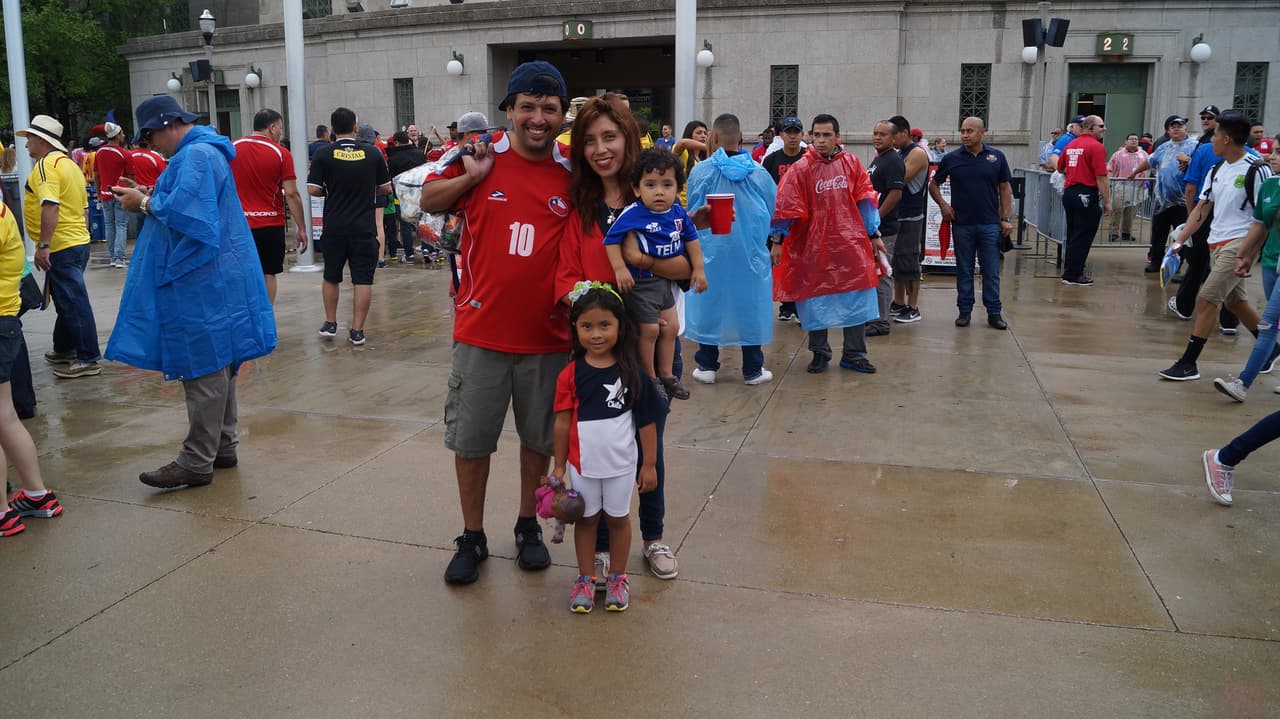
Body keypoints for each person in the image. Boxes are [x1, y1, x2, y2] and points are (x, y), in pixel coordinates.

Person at [421, 61, 574, 586]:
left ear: (561, 116)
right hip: (481, 333)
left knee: (539, 440)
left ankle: (528, 526)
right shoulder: (477, 156)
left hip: (548, 338)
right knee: (472, 441)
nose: (538, 117)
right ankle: (472, 535)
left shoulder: (573, 172)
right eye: (527, 106)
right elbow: (427, 200)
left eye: (549, 108)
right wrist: (472, 177)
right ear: (508, 109)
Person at [107, 95, 276, 489]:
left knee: (202, 364)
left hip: (201, 278)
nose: (150, 146)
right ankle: (222, 446)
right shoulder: (205, 151)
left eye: (149, 138)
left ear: (166, 125)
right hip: (218, 275)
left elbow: (190, 216)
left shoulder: (196, 156)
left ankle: (196, 460)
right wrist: (149, 193)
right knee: (222, 361)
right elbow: (192, 204)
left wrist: (144, 202)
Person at [555, 93, 689, 583]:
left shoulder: (655, 194)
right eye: (589, 140)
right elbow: (566, 273)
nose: (600, 149)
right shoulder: (582, 207)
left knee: (648, 443)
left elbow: (684, 264)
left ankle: (652, 535)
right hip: (598, 356)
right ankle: (607, 544)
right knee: (603, 449)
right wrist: (593, 311)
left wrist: (641, 264)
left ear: (629, 138)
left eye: (609, 136)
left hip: (650, 347)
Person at [554, 282, 664, 613]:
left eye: (605, 325)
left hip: (622, 465)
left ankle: (618, 577)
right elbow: (561, 423)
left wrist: (649, 465)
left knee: (618, 519)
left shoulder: (633, 373)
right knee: (587, 522)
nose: (597, 334)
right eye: (587, 326)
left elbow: (647, 423)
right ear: (575, 328)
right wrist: (559, 466)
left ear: (620, 326)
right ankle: (585, 578)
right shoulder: (570, 374)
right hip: (583, 465)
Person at [1158, 111, 1274, 382]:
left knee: (1207, 298)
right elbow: (1202, 207)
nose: (1212, 142)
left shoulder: (1257, 168)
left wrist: (1249, 252)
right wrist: (1179, 240)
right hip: (1216, 244)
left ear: (1228, 139)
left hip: (1239, 245)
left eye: (1217, 136)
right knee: (1236, 301)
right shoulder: (1217, 169)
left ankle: (1189, 362)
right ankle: (1272, 348)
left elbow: (1265, 216)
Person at [770, 113, 885, 374]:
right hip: (813, 246)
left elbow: (865, 200)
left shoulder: (852, 164)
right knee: (815, 298)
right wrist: (777, 239)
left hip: (849, 243)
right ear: (810, 136)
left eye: (827, 135)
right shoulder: (801, 168)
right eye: (817, 135)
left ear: (837, 137)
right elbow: (785, 205)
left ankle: (854, 354)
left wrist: (874, 235)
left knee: (856, 295)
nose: (820, 140)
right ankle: (819, 352)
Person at [604, 148, 706, 400]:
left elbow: (692, 240)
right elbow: (611, 241)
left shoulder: (678, 213)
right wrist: (619, 269)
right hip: (639, 284)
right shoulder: (633, 214)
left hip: (664, 283)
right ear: (637, 189)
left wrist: (700, 270)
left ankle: (667, 374)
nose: (659, 191)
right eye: (650, 184)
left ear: (678, 189)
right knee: (650, 330)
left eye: (667, 184)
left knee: (671, 328)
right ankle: (650, 376)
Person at [685, 113, 777, 384]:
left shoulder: (700, 171)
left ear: (713, 138)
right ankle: (752, 369)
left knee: (709, 303)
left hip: (711, 252)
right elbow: (773, 210)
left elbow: (692, 211)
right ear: (740, 137)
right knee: (750, 305)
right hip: (749, 253)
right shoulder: (759, 173)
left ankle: (707, 366)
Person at [17, 115, 103, 379]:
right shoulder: (68, 165)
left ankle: (88, 357)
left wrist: (43, 245)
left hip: (62, 245)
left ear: (42, 140)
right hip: (75, 241)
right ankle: (65, 347)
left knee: (73, 301)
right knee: (66, 298)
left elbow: (50, 205)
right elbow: (84, 207)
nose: (26, 144)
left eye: (29, 138)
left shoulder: (46, 166)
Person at [0, 184, 63, 537]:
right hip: (5, 319)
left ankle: (2, 514)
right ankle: (37, 495)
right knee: (5, 416)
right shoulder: (3, 209)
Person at [307, 108, 391, 346]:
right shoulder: (373, 153)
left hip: (334, 226)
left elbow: (312, 189)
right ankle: (357, 331)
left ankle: (331, 323)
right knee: (362, 279)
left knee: (331, 276)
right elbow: (385, 187)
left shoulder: (324, 153)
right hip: (364, 227)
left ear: (332, 130)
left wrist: (329, 191)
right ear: (356, 127)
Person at [929, 116, 1014, 329]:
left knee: (991, 271)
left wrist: (1005, 218)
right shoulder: (952, 158)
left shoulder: (996, 157)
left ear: (982, 132)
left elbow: (1005, 188)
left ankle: (994, 313)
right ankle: (964, 310)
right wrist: (944, 206)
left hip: (989, 225)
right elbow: (933, 185)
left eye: (970, 131)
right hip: (962, 225)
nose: (965, 135)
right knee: (964, 269)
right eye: (962, 131)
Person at [1212, 141, 1280, 402]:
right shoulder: (1271, 185)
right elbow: (1260, 224)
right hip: (1271, 262)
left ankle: (1243, 383)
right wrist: (1246, 255)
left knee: (1268, 323)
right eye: (1273, 151)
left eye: (1278, 153)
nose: (1271, 157)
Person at [232, 109, 307, 304]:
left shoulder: (232, 147)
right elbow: (291, 193)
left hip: (238, 224)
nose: (280, 133)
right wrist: (301, 227)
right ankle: (265, 319)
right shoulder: (281, 153)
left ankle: (245, 319)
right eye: (280, 128)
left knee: (241, 274)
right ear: (272, 128)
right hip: (270, 224)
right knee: (268, 273)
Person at [1134, 115, 1197, 273]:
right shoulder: (1163, 147)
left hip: (1183, 201)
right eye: (1172, 126)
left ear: (1185, 129)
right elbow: (1150, 161)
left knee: (1180, 235)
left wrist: (1189, 161)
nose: (1176, 128)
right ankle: (1156, 261)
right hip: (1162, 200)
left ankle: (1177, 264)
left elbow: (1200, 167)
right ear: (1168, 130)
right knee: (1158, 233)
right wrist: (1134, 172)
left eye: (1179, 126)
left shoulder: (1194, 146)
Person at [762, 116, 807, 323]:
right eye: (788, 132)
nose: (792, 136)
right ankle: (786, 304)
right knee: (779, 263)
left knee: (800, 264)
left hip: (803, 223)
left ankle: (799, 305)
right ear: (781, 135)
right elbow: (764, 191)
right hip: (777, 223)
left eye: (796, 132)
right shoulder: (771, 160)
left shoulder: (809, 158)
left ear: (802, 135)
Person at [1059, 115, 1111, 286]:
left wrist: (1075, 171)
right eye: (1101, 126)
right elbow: (1101, 177)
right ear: (1090, 128)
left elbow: (1060, 167)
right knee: (1083, 234)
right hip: (1085, 193)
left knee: (1074, 232)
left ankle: (1070, 269)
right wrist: (1108, 202)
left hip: (1070, 192)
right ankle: (1074, 273)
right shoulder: (1096, 147)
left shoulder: (1071, 144)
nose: (1104, 129)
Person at [866, 120, 905, 336]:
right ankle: (874, 317)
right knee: (873, 273)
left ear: (893, 138)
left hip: (885, 229)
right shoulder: (879, 159)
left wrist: (876, 220)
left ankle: (881, 321)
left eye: (882, 134)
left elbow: (896, 193)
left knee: (882, 273)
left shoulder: (893, 161)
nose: (877, 137)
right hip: (872, 228)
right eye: (875, 133)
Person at [890, 115, 928, 323]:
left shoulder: (917, 153)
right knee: (896, 262)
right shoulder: (900, 152)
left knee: (909, 261)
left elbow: (898, 179)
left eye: (893, 135)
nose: (890, 139)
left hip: (911, 216)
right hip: (898, 214)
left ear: (905, 132)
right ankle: (898, 302)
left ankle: (913, 307)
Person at [96, 122, 135, 268]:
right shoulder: (125, 154)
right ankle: (119, 258)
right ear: (117, 136)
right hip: (120, 193)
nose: (124, 136)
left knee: (109, 226)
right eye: (122, 133)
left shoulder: (99, 152)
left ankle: (113, 257)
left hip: (105, 194)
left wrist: (99, 192)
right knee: (121, 225)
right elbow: (131, 177)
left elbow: (96, 174)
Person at [386, 129, 426, 264]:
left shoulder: (393, 158)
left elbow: (390, 178)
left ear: (396, 143)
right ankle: (427, 250)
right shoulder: (419, 154)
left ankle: (409, 254)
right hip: (420, 192)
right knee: (423, 221)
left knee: (405, 224)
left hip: (401, 195)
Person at [1106, 132, 1148, 243]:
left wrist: (1146, 182)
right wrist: (1110, 181)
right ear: (1126, 141)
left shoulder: (1143, 154)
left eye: (1136, 139)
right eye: (1131, 139)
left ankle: (1126, 232)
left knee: (1131, 212)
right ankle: (1113, 232)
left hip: (1137, 187)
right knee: (1117, 209)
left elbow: (1148, 169)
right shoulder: (1118, 154)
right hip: (1120, 186)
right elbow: (1110, 168)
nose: (1134, 141)